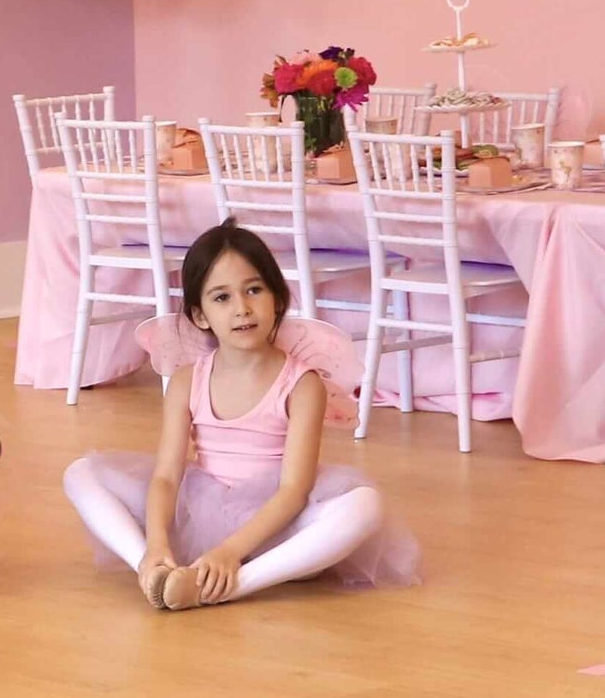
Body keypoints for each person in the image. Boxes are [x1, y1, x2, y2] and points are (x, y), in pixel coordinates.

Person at [63, 223, 415, 608]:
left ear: (277, 299)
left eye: (254, 290)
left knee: (365, 506)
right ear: (200, 315)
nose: (242, 308)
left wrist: (229, 552)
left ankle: (227, 584)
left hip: (278, 524)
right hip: (199, 513)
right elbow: (166, 476)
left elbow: (293, 490)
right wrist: (158, 541)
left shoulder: (303, 385)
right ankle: (152, 568)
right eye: (222, 297)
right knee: (80, 473)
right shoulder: (186, 381)